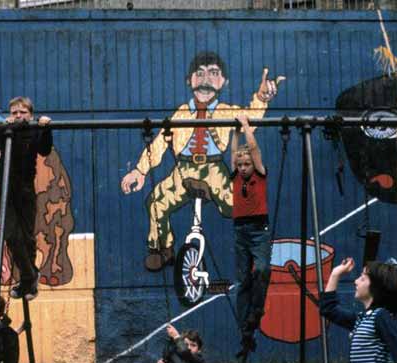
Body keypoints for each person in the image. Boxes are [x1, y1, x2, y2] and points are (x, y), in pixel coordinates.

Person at [119, 52, 283, 271]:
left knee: (237, 205)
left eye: (214, 73)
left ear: (224, 81)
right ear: (190, 80)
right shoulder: (181, 114)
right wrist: (140, 171)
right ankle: (164, 249)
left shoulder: (226, 112)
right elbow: (160, 143)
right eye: (200, 73)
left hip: (213, 169)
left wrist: (261, 99)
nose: (206, 80)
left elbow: (248, 121)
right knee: (157, 202)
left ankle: (254, 248)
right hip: (184, 170)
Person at [0, 96, 53, 301]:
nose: (18, 116)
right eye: (14, 112)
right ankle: (29, 276)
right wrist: (0, 128)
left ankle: (28, 283)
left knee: (27, 236)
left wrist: (46, 128)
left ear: (30, 114)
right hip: (7, 187)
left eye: (22, 112)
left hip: (25, 188)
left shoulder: (33, 129)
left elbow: (44, 149)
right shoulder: (8, 130)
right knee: (11, 235)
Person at [230, 114, 272, 363]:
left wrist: (246, 127)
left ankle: (256, 311)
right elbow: (234, 150)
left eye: (246, 164)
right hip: (240, 230)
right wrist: (235, 132)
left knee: (263, 270)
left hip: (259, 229)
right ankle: (245, 329)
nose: (244, 168)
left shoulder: (259, 173)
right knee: (243, 280)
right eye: (241, 164)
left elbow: (252, 148)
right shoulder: (236, 175)